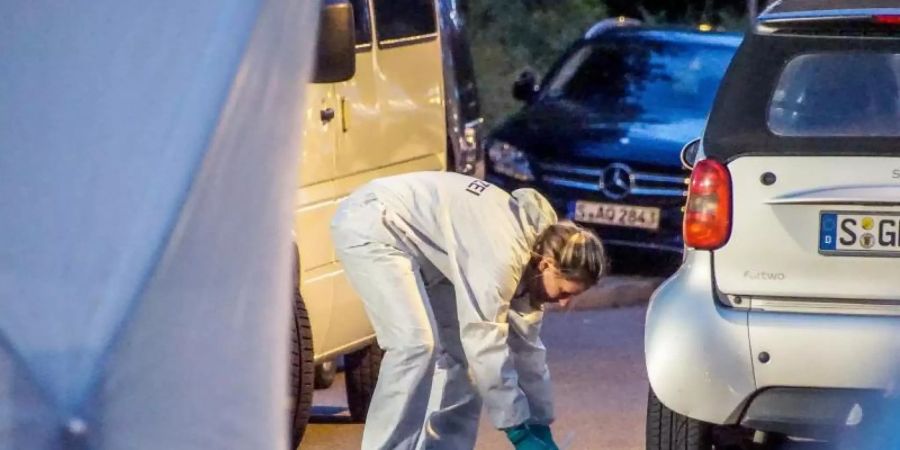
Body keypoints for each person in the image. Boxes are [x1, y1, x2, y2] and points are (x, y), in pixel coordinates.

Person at [330, 171, 606, 450]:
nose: (562, 304)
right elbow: (486, 344)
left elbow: (528, 351)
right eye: (564, 292)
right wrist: (518, 433)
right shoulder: (503, 255)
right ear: (547, 265)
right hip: (374, 223)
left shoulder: (533, 255)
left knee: (463, 360)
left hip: (421, 248)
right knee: (415, 345)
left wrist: (539, 424)